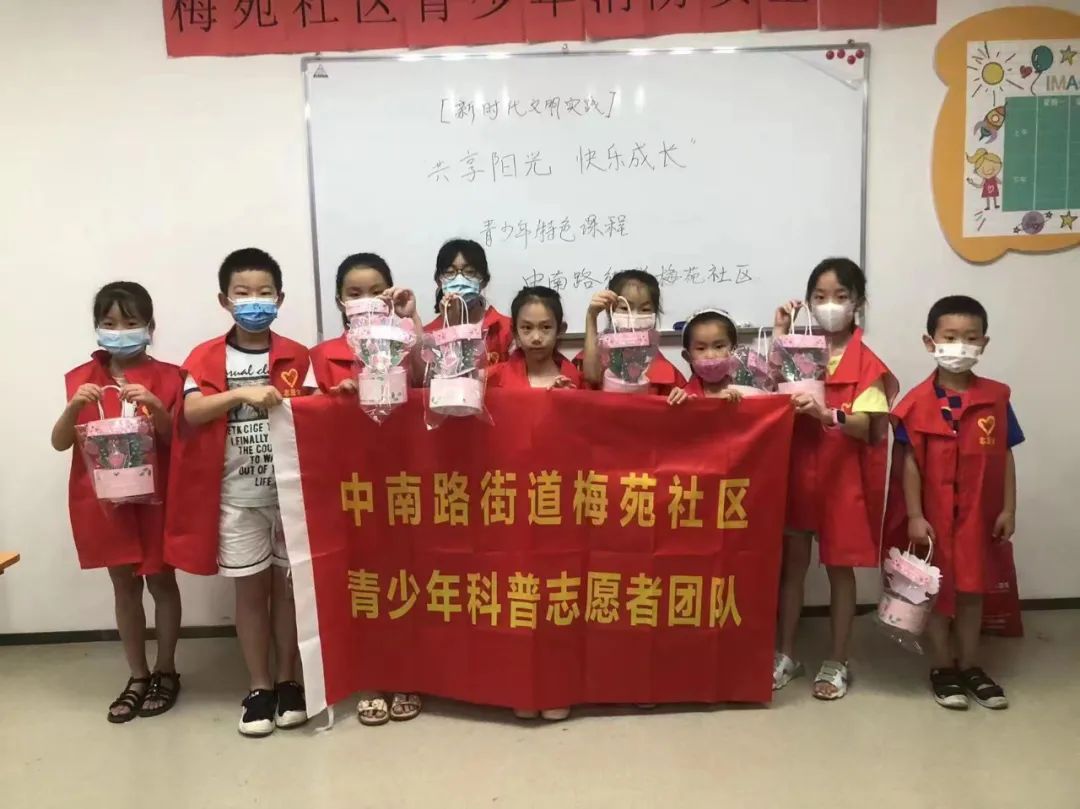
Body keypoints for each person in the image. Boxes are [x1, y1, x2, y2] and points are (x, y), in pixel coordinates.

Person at [164, 248, 311, 737]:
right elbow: (191, 412)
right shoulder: (205, 357)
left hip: (289, 495)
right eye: (243, 293)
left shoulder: (298, 355)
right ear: (224, 300)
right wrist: (243, 394)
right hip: (237, 497)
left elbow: (315, 413)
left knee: (287, 592)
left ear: (280, 299)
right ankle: (259, 686)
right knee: (249, 593)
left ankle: (289, 680)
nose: (254, 301)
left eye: (264, 292)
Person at [51, 282, 184, 723]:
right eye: (109, 323)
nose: (120, 331)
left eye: (130, 322)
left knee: (162, 583)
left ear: (149, 326)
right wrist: (73, 408)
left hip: (154, 499)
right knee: (124, 587)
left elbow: (177, 440)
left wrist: (156, 406)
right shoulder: (81, 379)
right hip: (105, 503)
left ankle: (167, 670)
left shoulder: (171, 377)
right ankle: (137, 675)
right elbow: (59, 442)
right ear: (96, 327)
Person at [771, 258, 897, 700]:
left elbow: (867, 426)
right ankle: (786, 654)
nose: (829, 305)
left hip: (842, 482)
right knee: (792, 568)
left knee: (840, 571)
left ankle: (838, 659)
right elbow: (765, 391)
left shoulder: (866, 363)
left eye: (840, 296)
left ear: (857, 302)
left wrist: (828, 414)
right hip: (798, 472)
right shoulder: (796, 349)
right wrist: (780, 334)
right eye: (820, 297)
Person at [886, 296, 1019, 710]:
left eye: (970, 337)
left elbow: (1006, 454)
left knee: (973, 591)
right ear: (930, 342)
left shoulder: (995, 399)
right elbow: (909, 463)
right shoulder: (915, 404)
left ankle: (971, 665)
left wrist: (1008, 508)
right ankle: (943, 667)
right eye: (950, 337)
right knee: (937, 593)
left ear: (984, 343)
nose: (960, 345)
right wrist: (914, 514)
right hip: (933, 520)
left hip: (979, 517)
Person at [306, 252, 425, 395]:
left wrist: (411, 316)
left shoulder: (403, 348)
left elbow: (426, 384)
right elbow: (312, 406)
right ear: (340, 302)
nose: (368, 301)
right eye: (355, 294)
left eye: (377, 292)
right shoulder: (320, 355)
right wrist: (337, 400)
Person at [580, 270, 687, 396]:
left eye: (645, 309)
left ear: (655, 314)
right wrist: (591, 316)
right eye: (625, 308)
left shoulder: (667, 372)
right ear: (610, 311)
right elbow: (591, 376)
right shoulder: (594, 358)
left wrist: (682, 395)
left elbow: (685, 399)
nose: (634, 317)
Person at [424, 239, 513, 367]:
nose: (460, 279)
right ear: (439, 281)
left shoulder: (507, 329)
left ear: (484, 281)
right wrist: (452, 328)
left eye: (470, 272)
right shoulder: (429, 335)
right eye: (450, 272)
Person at [487, 286, 581, 391]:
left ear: (560, 330)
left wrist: (566, 398)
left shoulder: (576, 381)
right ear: (515, 332)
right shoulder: (490, 379)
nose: (536, 338)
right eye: (527, 328)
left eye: (546, 327)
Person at [668, 309, 744, 405]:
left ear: (734, 350)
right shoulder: (685, 396)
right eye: (701, 348)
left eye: (719, 346)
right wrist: (678, 403)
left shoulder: (746, 389)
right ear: (687, 356)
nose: (710, 356)